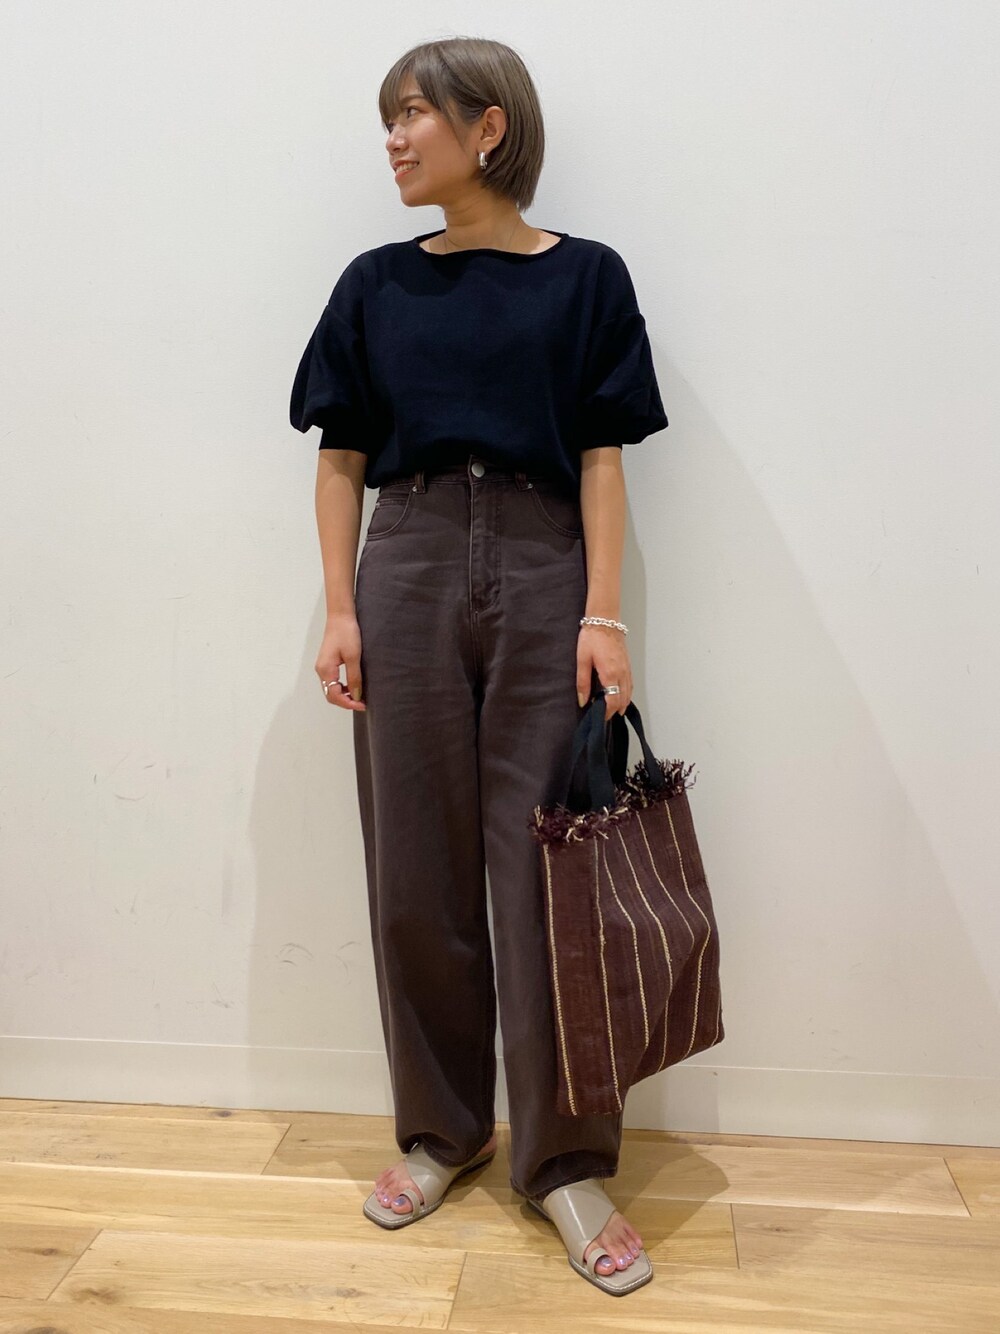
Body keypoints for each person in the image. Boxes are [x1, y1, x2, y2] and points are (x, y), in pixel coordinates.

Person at [289, 36, 668, 1297]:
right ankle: (441, 1130)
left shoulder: (587, 278)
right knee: (416, 865)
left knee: (549, 869)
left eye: (412, 114)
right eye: (387, 119)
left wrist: (603, 613)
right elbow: (340, 457)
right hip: (403, 563)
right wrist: (338, 608)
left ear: (487, 126)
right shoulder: (375, 284)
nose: (393, 139)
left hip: (545, 563)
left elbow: (604, 454)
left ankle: (566, 1160)